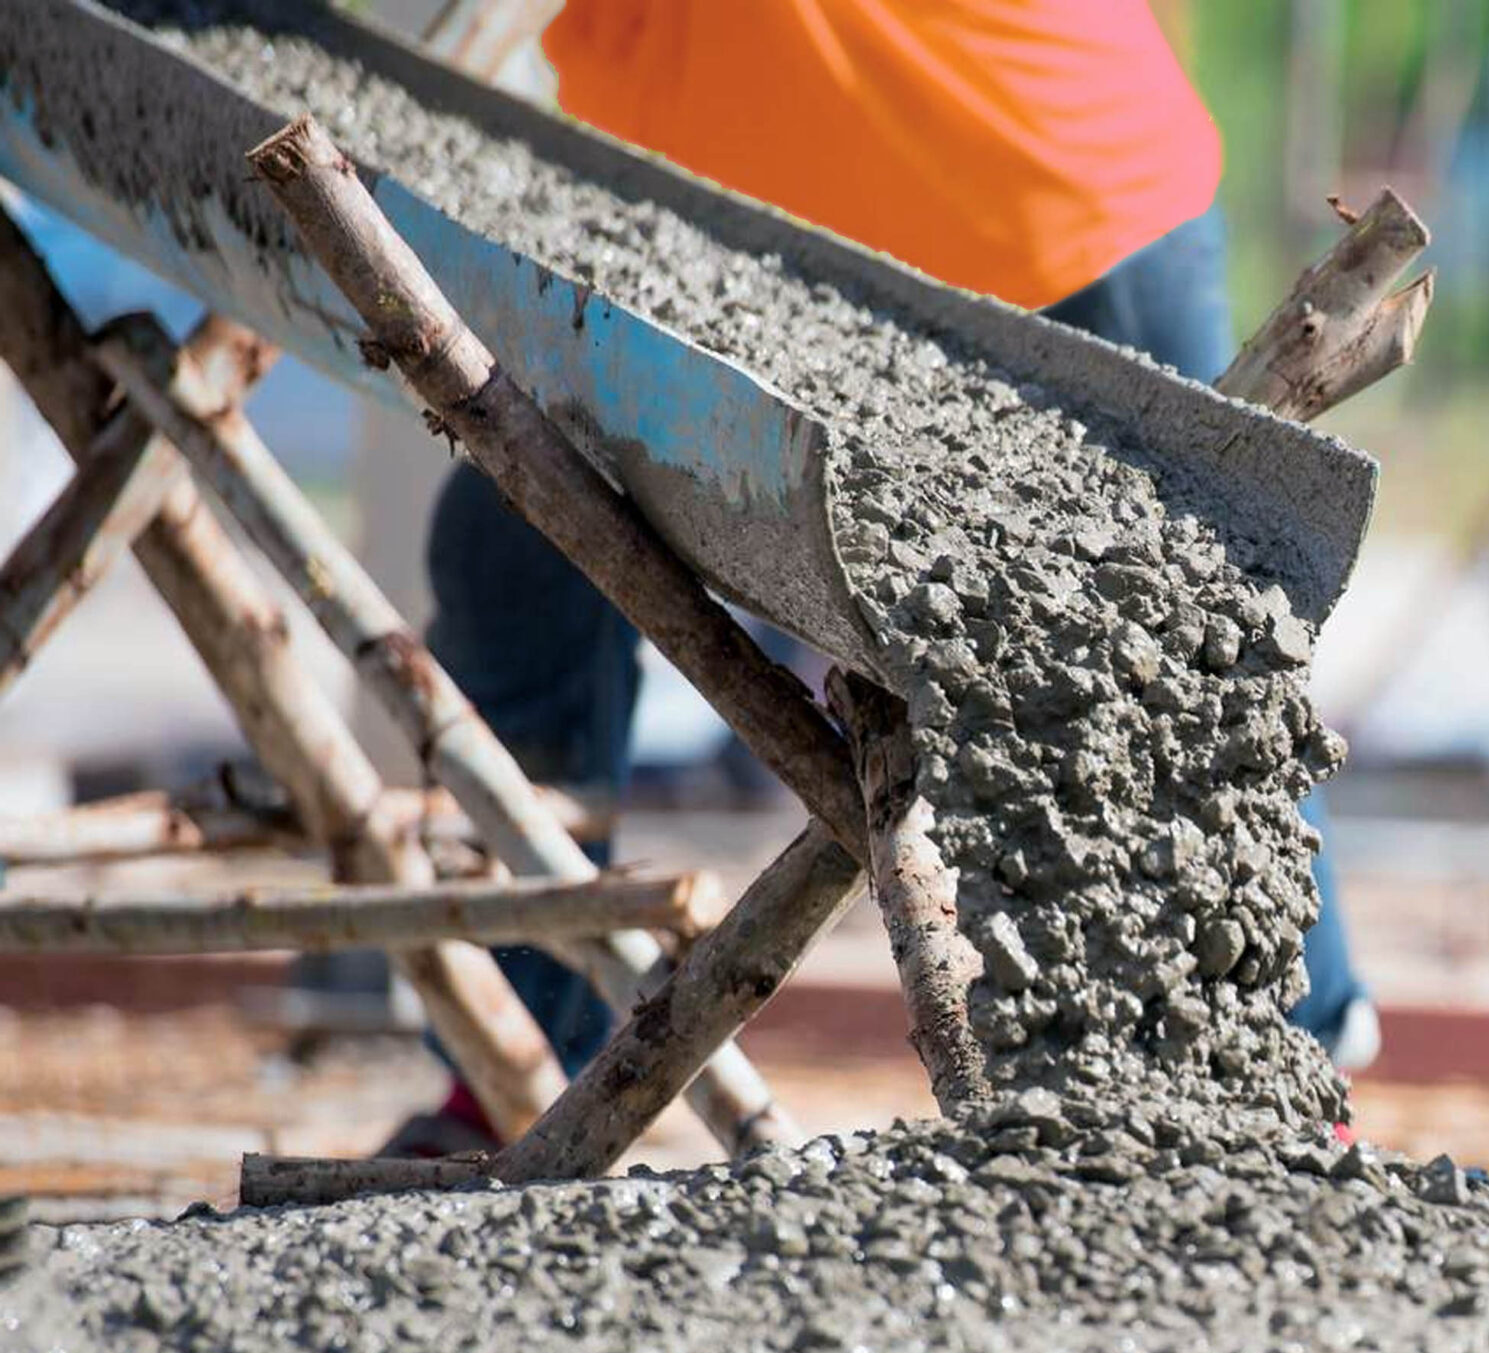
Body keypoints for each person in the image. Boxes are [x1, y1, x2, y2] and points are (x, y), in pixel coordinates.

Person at [391, 0, 1376, 1152]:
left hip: (1043, 192)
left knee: (1163, 645)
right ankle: (508, 1068)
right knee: (514, 551)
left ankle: (1280, 1090)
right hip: (722, 237)